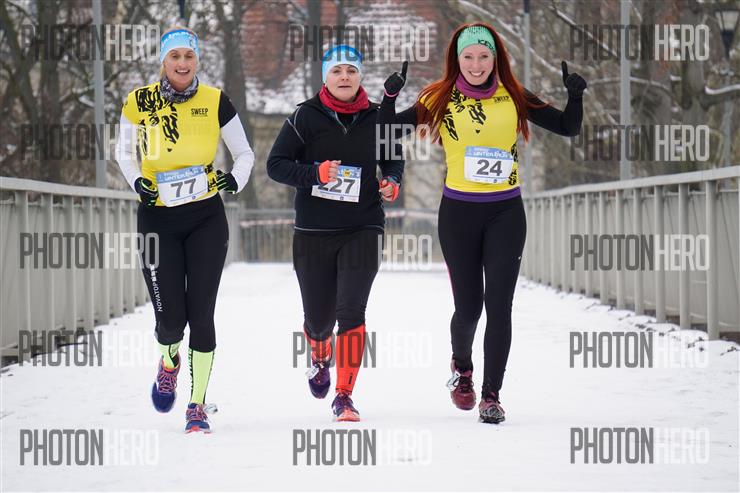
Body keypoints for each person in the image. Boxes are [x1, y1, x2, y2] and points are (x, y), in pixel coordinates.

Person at [379, 23, 586, 423]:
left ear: (495, 58)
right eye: (468, 57)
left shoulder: (515, 95)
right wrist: (389, 98)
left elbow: (567, 126)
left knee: (500, 306)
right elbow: (385, 133)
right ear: (457, 60)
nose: (476, 65)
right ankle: (462, 367)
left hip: (506, 212)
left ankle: (491, 395)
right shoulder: (438, 98)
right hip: (458, 214)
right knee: (469, 308)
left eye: (484, 56)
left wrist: (575, 96)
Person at [115, 26, 255, 433]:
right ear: (164, 61)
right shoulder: (139, 101)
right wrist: (136, 182)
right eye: (174, 56)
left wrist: (235, 180)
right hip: (157, 217)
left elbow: (244, 153)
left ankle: (197, 404)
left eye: (188, 56)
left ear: (197, 61)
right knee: (170, 321)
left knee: (202, 314)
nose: (182, 63)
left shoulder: (215, 101)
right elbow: (123, 151)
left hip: (205, 216)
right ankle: (168, 360)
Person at [267, 45, 403, 422]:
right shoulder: (305, 116)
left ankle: (344, 395)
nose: (345, 76)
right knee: (318, 320)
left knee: (351, 310)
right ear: (325, 77)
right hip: (313, 231)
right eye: (337, 71)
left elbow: (393, 158)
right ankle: (319, 352)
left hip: (363, 226)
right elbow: (275, 165)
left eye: (351, 70)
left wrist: (392, 180)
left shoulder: (378, 117)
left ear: (360, 77)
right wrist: (315, 174)